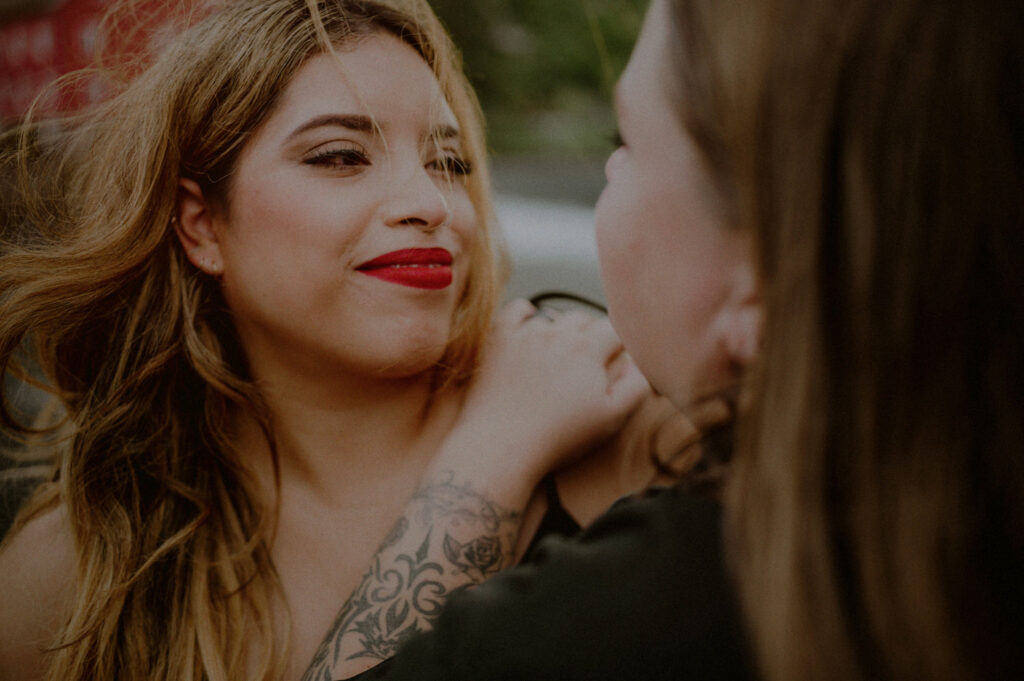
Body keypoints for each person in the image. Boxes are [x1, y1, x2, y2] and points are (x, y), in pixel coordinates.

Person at [306, 0, 1024, 679]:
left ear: (766, 282)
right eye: (340, 156)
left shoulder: (663, 606)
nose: (431, 205)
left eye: (627, 142)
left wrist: (487, 457)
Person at [0, 1, 674, 679]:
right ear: (201, 224)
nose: (432, 203)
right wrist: (489, 456)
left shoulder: (617, 421)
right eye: (342, 155)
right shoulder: (79, 573)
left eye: (450, 162)